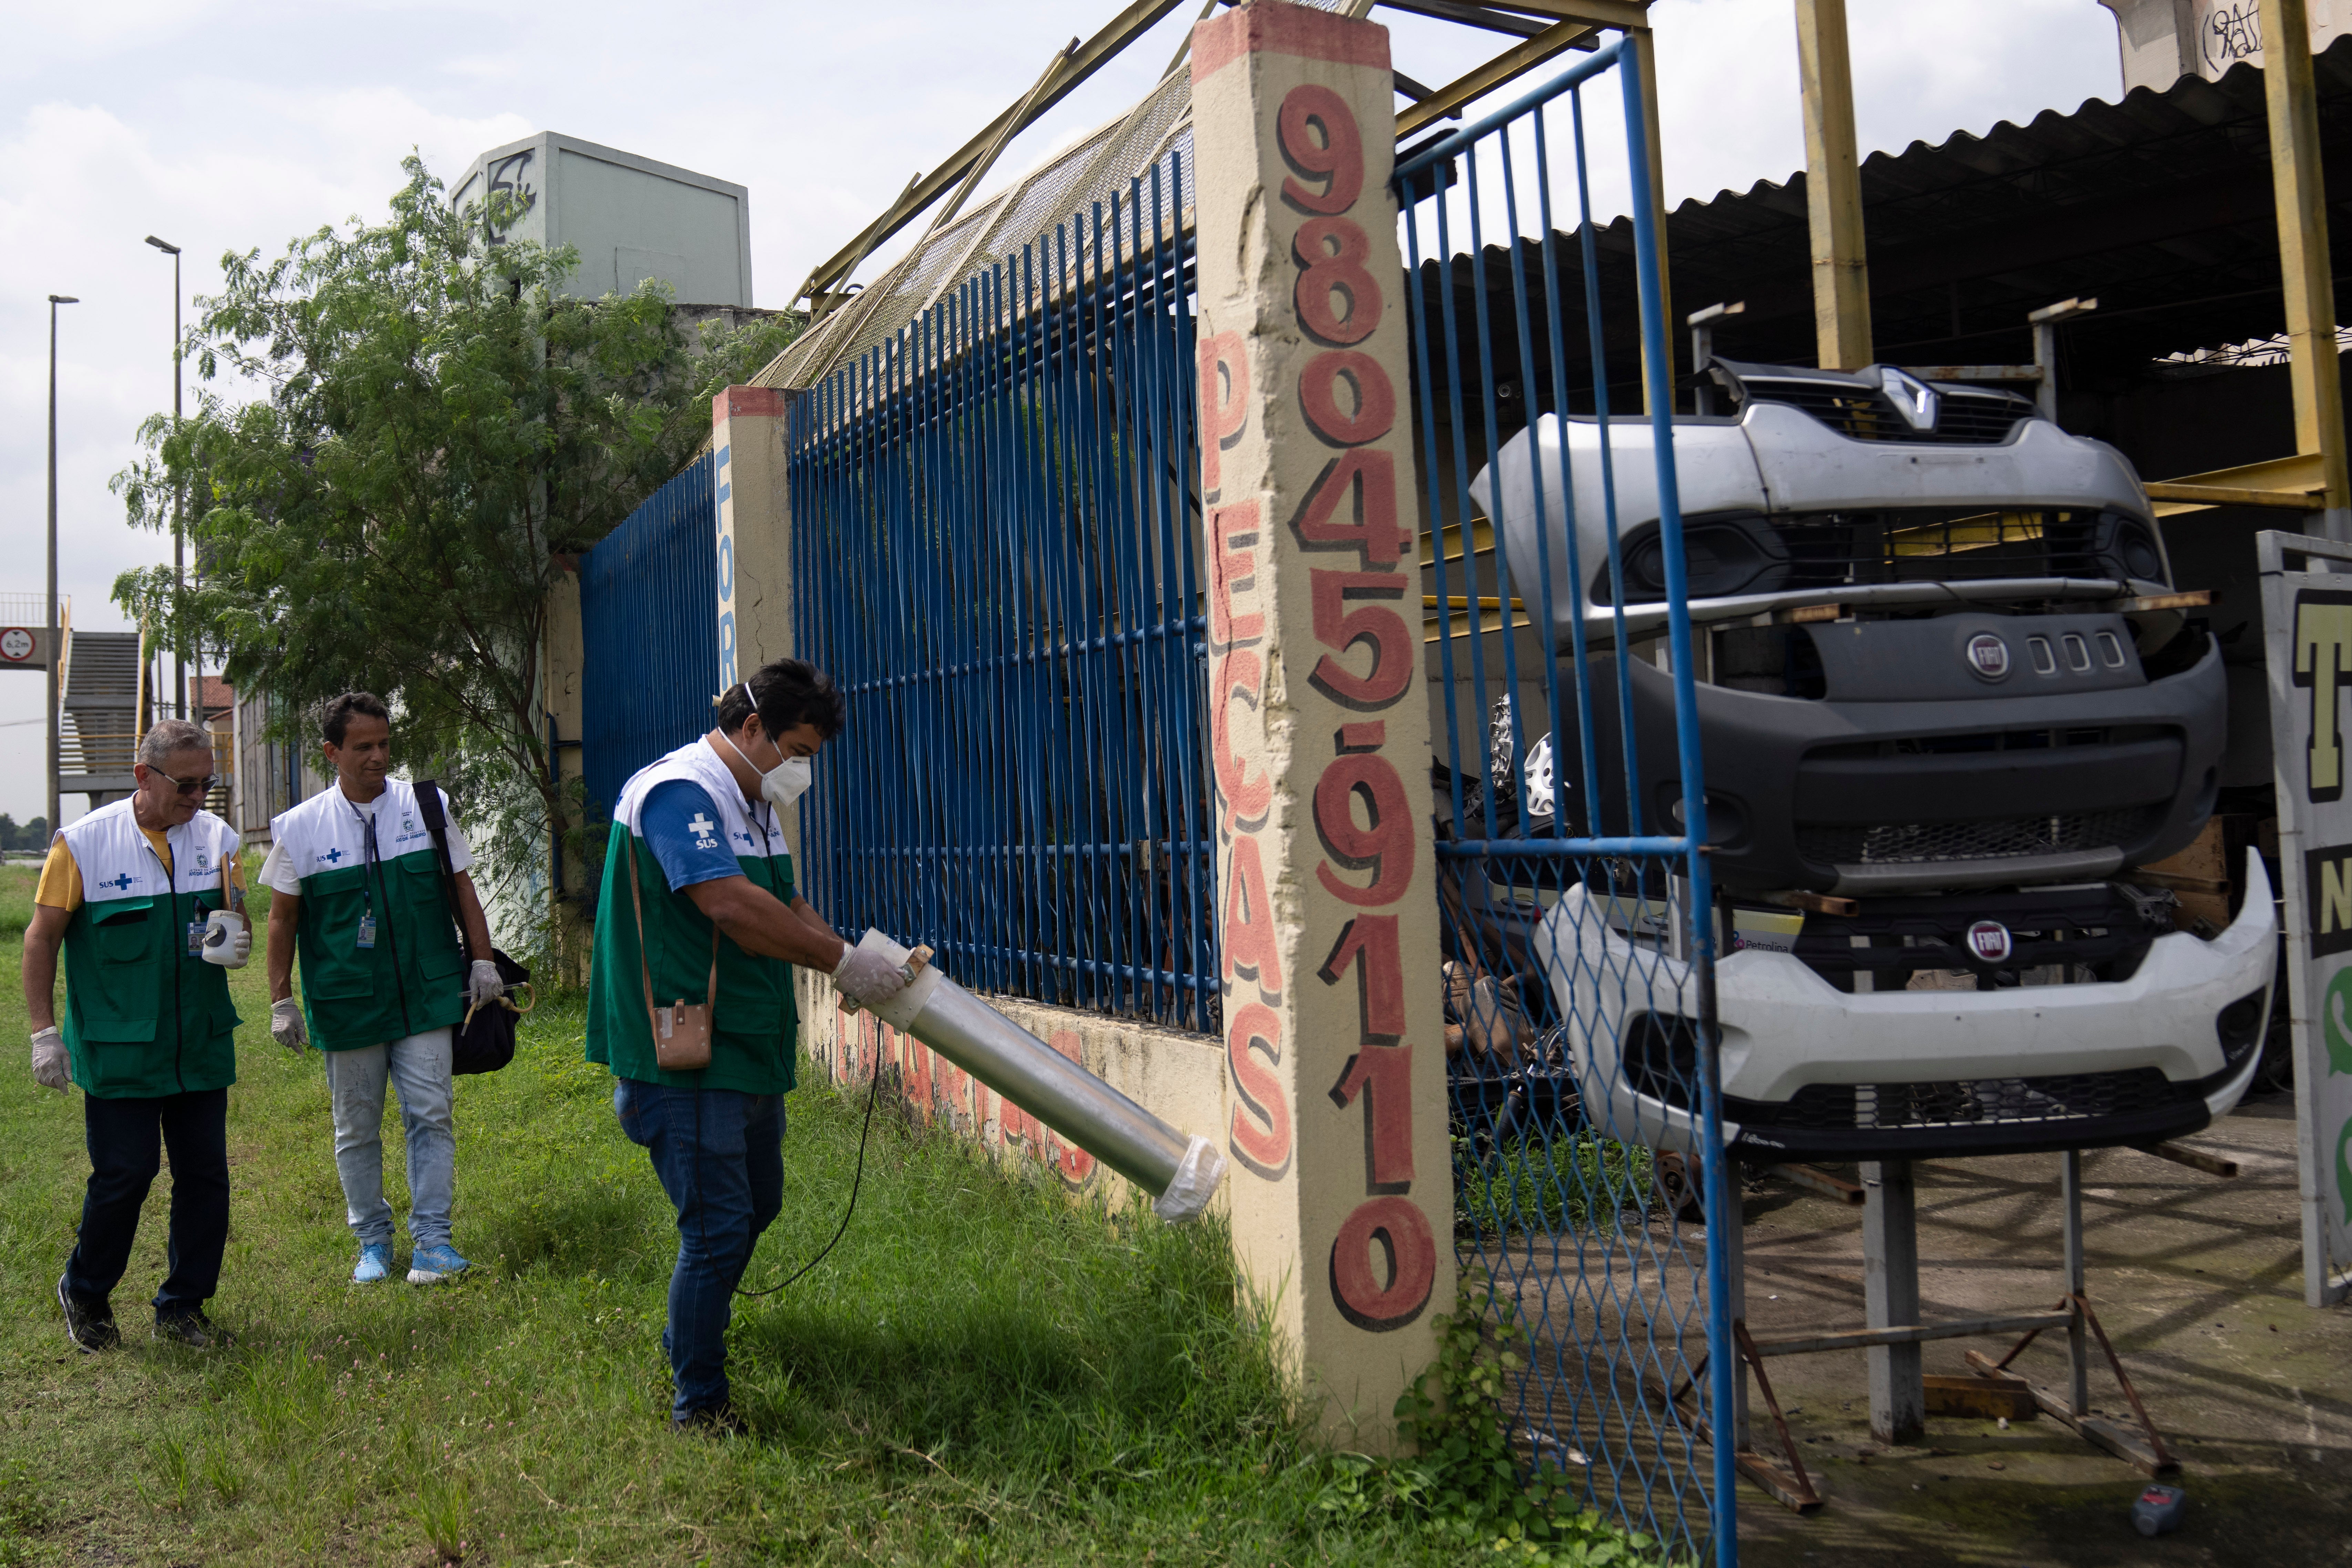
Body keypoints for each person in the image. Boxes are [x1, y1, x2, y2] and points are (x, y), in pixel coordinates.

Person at [588, 658, 908, 1434]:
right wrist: (838, 960)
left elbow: (782, 898)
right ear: (752, 726)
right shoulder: (678, 792)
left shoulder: (753, 799)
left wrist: (858, 956)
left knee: (759, 1200)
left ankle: (686, 1332)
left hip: (748, 1034)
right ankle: (698, 1399)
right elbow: (729, 903)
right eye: (797, 749)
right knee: (719, 1226)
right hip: (687, 1048)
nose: (802, 769)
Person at [21, 719, 253, 1352]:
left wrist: (235, 936)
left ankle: (183, 1307)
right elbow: (40, 938)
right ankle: (86, 1291)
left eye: (208, 783)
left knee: (205, 1176)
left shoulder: (218, 839)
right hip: (120, 1044)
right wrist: (45, 1032)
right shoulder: (86, 843)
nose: (198, 797)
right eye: (186, 784)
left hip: (198, 1040)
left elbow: (235, 926)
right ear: (143, 777)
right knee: (126, 1173)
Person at [261, 692, 503, 1286]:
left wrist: (482, 963)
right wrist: (281, 999)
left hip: (426, 994)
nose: (377, 757)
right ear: (331, 752)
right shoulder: (300, 828)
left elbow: (462, 888)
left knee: (431, 1114)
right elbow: (282, 920)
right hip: (348, 1002)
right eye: (362, 746)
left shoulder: (428, 807)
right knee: (356, 1126)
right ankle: (372, 1243)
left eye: (384, 744)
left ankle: (434, 1244)